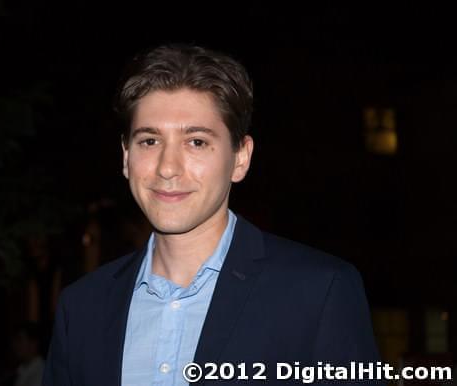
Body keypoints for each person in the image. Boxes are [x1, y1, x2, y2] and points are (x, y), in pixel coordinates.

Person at [43, 44, 381, 385]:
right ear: (126, 156)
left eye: (197, 142)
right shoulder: (82, 307)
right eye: (149, 141)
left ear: (240, 158)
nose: (168, 168)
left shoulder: (319, 292)